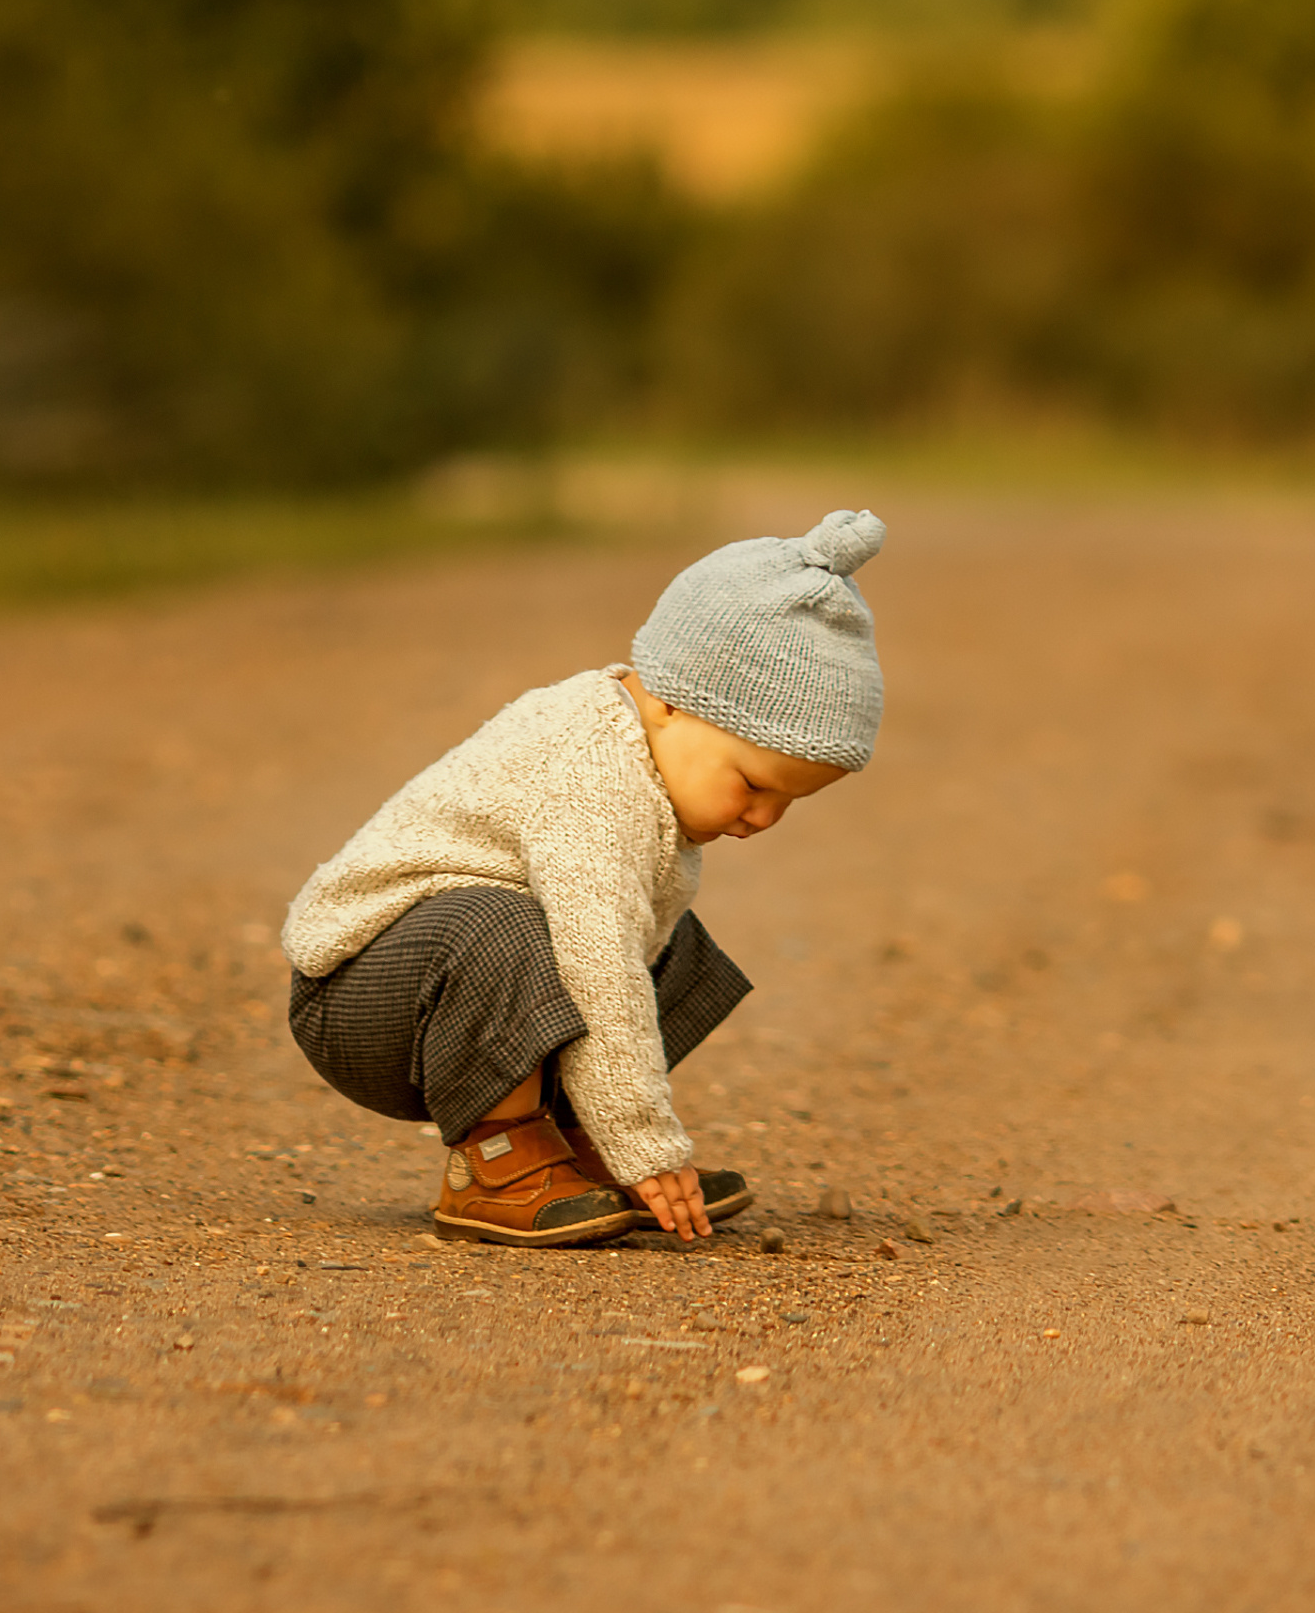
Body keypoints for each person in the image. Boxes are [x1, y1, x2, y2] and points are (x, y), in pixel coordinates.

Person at [281, 511, 885, 1246]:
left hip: (450, 1007)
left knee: (669, 942)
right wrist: (649, 1146)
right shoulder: (589, 772)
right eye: (755, 784)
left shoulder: (644, 753)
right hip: (359, 1001)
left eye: (790, 800)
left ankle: (569, 1146)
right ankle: (497, 1161)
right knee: (531, 929)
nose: (763, 819)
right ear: (669, 700)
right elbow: (596, 966)